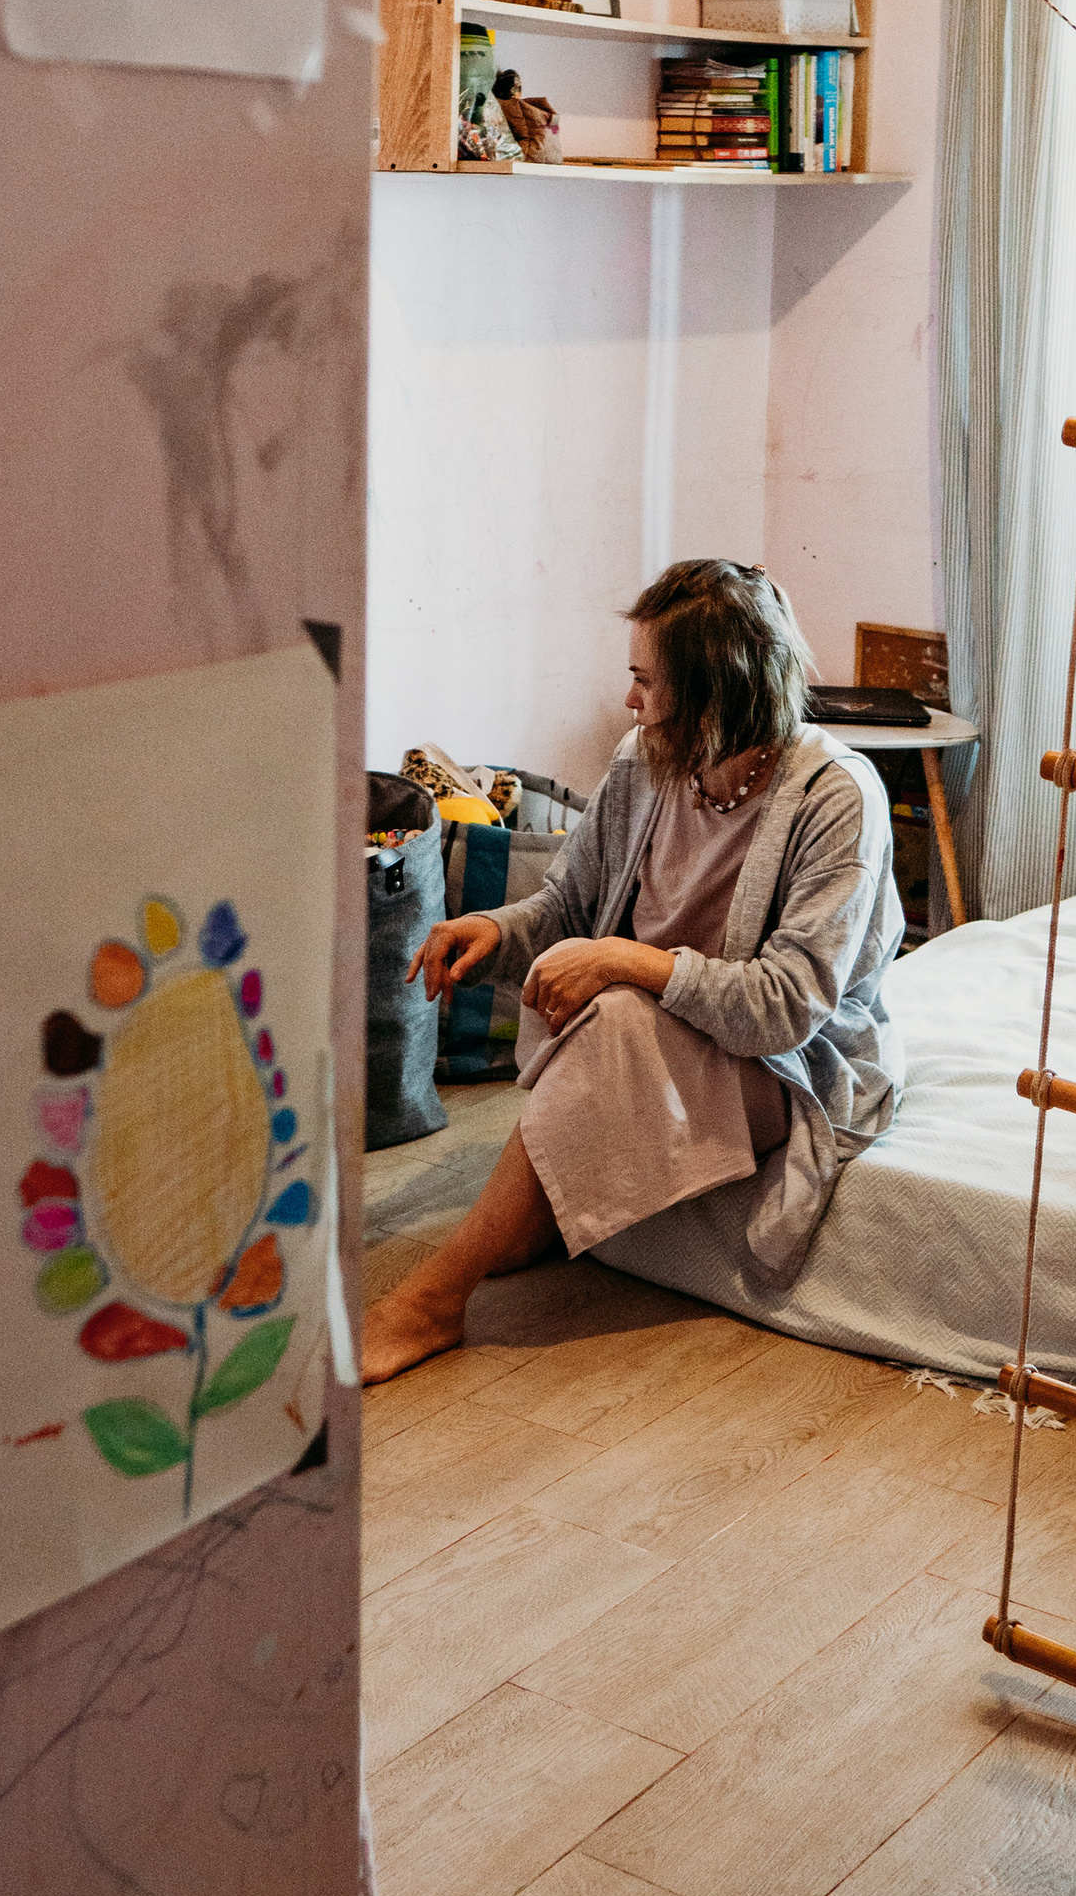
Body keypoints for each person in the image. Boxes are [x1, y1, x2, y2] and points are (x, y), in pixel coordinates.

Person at [358, 560, 908, 1385]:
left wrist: (625, 961)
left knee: (614, 1012)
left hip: (780, 1063)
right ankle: (525, 1219)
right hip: (658, 1024)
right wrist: (489, 929)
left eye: (647, 681)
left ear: (718, 690)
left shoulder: (837, 798)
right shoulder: (644, 760)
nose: (630, 701)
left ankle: (435, 1299)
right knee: (608, 1007)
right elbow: (567, 911)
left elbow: (787, 1010)